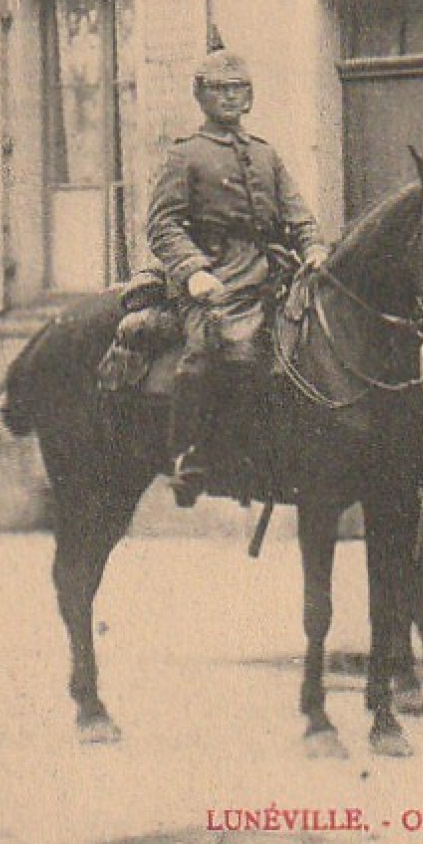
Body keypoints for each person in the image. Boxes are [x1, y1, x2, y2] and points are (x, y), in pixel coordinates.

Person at [147, 35, 330, 506]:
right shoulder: (185, 154)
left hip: (270, 270)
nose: (231, 97)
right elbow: (162, 224)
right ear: (202, 95)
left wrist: (313, 247)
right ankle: (192, 455)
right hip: (214, 275)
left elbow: (296, 213)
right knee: (217, 347)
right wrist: (193, 272)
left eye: (238, 88)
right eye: (220, 89)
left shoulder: (266, 154)